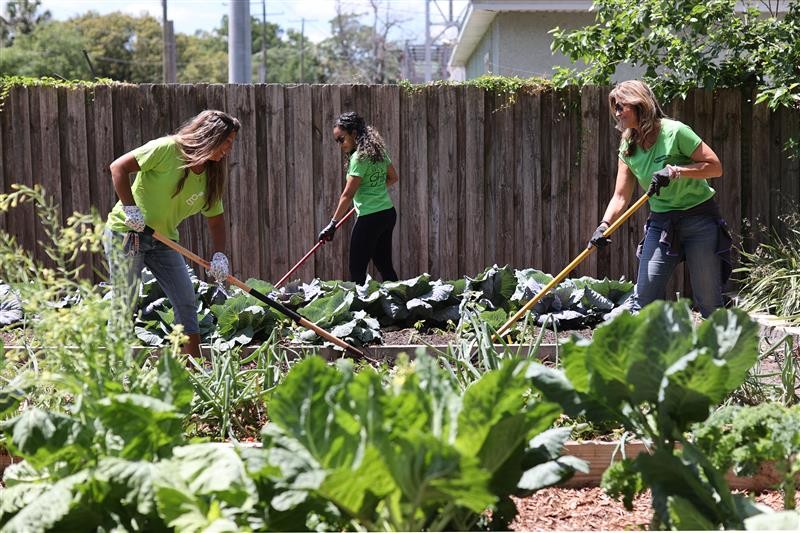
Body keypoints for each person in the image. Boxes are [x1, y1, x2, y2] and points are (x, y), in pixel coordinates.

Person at [588, 80, 731, 318]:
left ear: (640, 106)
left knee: (708, 301)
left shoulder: (675, 132)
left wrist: (676, 171)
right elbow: (621, 196)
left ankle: (720, 352)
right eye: (615, 107)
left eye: (622, 106)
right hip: (662, 225)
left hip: (700, 220)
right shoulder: (628, 145)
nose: (617, 112)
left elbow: (715, 168)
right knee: (643, 298)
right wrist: (604, 225)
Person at [104, 110, 240, 357]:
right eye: (227, 141)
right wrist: (130, 209)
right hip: (128, 233)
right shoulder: (167, 149)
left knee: (186, 300)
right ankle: (114, 369)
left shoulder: (211, 174)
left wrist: (220, 255)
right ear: (211, 135)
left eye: (232, 143)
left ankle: (193, 369)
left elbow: (216, 219)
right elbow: (118, 168)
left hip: (163, 239)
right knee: (126, 301)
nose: (229, 149)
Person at [318, 111, 400, 285]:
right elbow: (393, 178)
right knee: (385, 266)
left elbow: (347, 194)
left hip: (370, 218)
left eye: (342, 139)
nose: (340, 145)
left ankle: (361, 311)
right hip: (387, 214)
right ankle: (402, 306)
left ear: (354, 134)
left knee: (357, 270)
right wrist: (373, 190)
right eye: (337, 141)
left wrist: (332, 224)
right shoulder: (378, 152)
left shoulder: (358, 157)